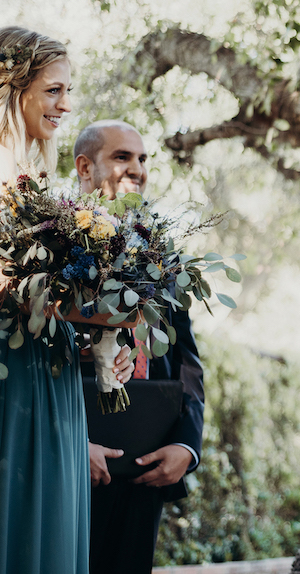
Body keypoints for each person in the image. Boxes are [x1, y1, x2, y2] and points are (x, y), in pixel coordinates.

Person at [0, 26, 132, 573]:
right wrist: (89, 306)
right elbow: (16, 291)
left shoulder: (39, 185)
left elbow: (44, 304)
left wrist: (94, 337)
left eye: (68, 90)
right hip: (10, 385)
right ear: (12, 89)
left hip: (51, 379)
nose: (66, 104)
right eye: (53, 90)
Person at [75, 119, 205, 573]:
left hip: (148, 471)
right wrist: (71, 445)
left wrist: (187, 447)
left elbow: (187, 362)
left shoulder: (163, 254)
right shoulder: (55, 249)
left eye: (143, 158)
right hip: (74, 468)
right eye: (122, 156)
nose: (137, 168)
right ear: (85, 168)